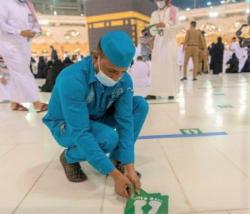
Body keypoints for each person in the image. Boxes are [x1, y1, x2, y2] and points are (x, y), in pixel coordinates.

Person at [43, 31, 149, 198]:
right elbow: (81, 131)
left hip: (97, 116)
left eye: (122, 72)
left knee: (140, 105)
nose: (116, 78)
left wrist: (129, 166)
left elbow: (125, 122)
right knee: (107, 138)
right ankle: (69, 157)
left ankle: (117, 159)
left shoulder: (123, 80)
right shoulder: (72, 78)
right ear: (95, 57)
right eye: (111, 71)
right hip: (66, 124)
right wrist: (115, 176)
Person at [0, 0, 48, 112]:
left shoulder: (27, 4)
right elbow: (1, 24)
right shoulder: (4, 2)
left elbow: (33, 22)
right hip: (9, 44)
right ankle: (36, 103)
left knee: (17, 72)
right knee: (23, 71)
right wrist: (19, 32)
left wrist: (34, 30)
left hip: (24, 43)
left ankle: (14, 103)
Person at [147, 0, 180, 100]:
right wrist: (155, 27)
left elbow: (177, 27)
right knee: (156, 66)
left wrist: (165, 25)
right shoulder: (154, 14)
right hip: (158, 43)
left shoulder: (173, 10)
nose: (159, 2)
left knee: (169, 65)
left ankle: (171, 92)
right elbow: (151, 30)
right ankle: (155, 92)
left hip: (169, 42)